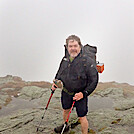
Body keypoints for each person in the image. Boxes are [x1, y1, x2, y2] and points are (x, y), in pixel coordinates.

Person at [51, 35, 98, 134]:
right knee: (65, 110)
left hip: (80, 94)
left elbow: (94, 81)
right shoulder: (65, 59)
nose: (73, 49)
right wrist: (55, 82)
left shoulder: (87, 61)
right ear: (67, 47)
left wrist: (83, 94)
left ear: (79, 46)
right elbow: (60, 72)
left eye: (75, 46)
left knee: (82, 117)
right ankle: (65, 126)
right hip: (66, 91)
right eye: (70, 46)